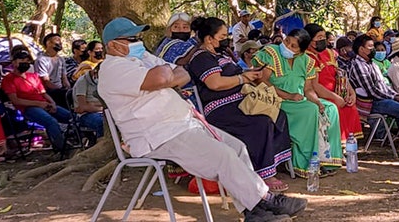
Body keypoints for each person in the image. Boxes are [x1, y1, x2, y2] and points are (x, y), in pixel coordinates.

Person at [97, 17, 304, 220]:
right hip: (159, 134)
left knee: (238, 147)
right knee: (224, 155)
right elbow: (163, 76)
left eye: (138, 37)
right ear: (113, 45)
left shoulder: (142, 59)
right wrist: (166, 76)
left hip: (185, 124)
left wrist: (166, 77)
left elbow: (183, 74)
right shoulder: (114, 69)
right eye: (132, 39)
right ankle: (264, 200)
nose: (138, 42)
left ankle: (253, 211)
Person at [186, 17, 292, 187]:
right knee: (261, 123)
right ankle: (263, 173)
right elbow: (215, 83)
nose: (226, 39)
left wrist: (250, 73)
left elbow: (234, 75)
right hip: (221, 108)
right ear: (209, 39)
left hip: (241, 101)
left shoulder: (220, 55)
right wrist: (243, 78)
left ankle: (272, 165)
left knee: (278, 114)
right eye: (222, 37)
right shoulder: (201, 57)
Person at [254, 28, 342, 172]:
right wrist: (288, 96)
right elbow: (261, 82)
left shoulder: (306, 61)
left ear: (301, 51)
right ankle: (304, 163)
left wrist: (318, 102)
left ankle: (327, 159)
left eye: (293, 46)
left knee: (330, 108)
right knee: (309, 110)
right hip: (274, 100)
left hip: (298, 100)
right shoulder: (270, 52)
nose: (287, 46)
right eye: (287, 41)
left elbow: (308, 90)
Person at [347, 32, 399, 136]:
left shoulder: (372, 64)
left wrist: (396, 95)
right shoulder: (358, 66)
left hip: (383, 98)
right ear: (361, 49)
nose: (373, 49)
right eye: (370, 47)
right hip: (371, 102)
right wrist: (394, 97)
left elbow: (383, 85)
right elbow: (372, 91)